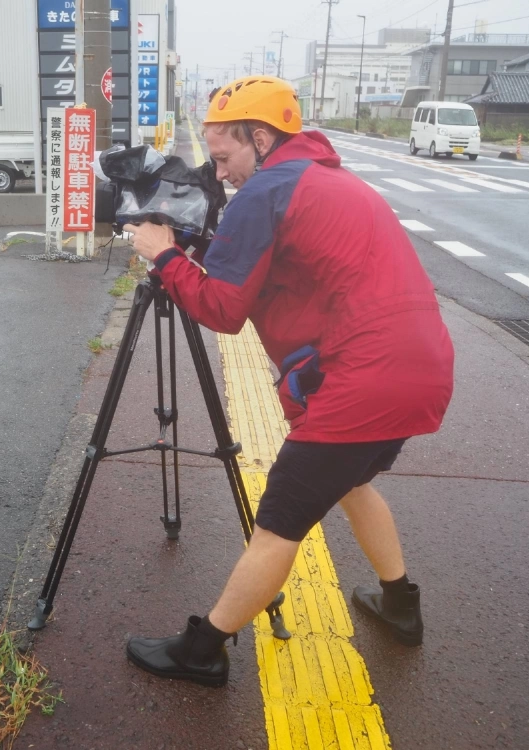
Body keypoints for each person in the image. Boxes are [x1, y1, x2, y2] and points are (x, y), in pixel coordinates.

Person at [122, 76, 454, 688]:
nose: (219, 175)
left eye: (223, 158)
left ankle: (203, 650)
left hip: (362, 378)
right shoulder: (331, 179)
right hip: (424, 368)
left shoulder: (268, 191)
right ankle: (399, 605)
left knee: (279, 523)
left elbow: (222, 309)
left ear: (261, 136)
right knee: (352, 480)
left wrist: (165, 256)